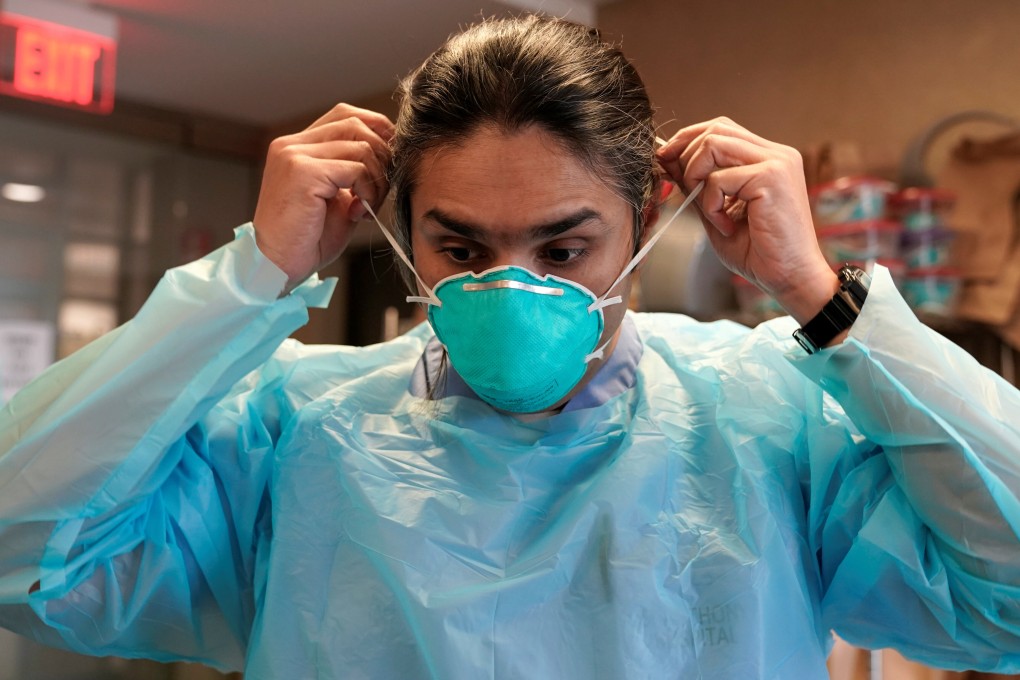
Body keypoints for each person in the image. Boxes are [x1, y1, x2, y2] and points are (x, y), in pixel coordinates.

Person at [0, 13, 1018, 680]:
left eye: (565, 246)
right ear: (403, 232)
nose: (514, 287)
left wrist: (822, 298)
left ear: (649, 217)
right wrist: (249, 278)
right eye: (461, 246)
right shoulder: (293, 431)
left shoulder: (767, 420)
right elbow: (22, 545)